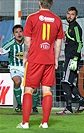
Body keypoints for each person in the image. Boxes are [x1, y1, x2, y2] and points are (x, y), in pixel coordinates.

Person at [17, 0, 64, 129]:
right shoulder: (57, 19)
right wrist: (56, 59)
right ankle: (44, 123)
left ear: (39, 3)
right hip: (48, 60)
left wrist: (25, 57)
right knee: (47, 91)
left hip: (35, 59)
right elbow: (58, 43)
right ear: (51, 3)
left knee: (28, 90)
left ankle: (25, 123)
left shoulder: (32, 18)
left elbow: (27, 40)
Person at [56, 7, 84, 115]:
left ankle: (69, 108)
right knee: (68, 82)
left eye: (72, 14)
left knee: (65, 82)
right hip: (69, 57)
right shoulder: (70, 27)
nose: (70, 16)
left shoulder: (75, 27)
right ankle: (81, 102)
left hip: (72, 58)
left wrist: (75, 58)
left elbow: (79, 43)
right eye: (68, 13)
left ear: (76, 16)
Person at [2, 24, 39, 113]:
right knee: (17, 81)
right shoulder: (10, 43)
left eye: (20, 31)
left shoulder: (28, 42)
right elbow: (2, 51)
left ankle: (34, 106)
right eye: (16, 32)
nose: (19, 34)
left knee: (33, 88)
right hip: (15, 67)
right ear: (13, 34)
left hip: (27, 67)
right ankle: (19, 104)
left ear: (23, 32)